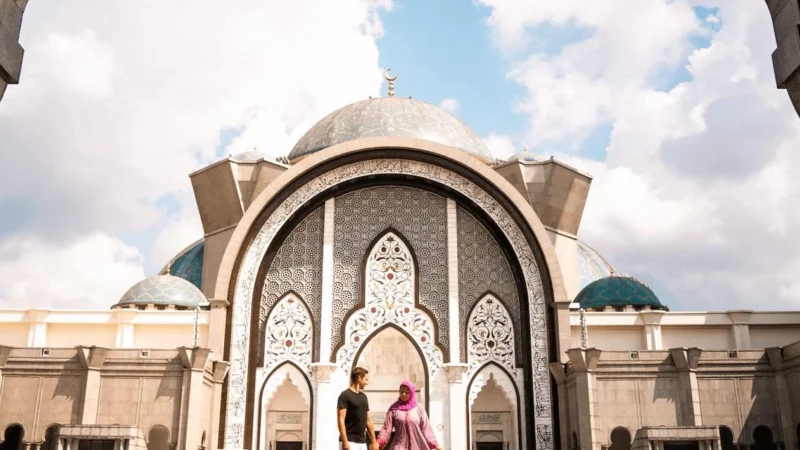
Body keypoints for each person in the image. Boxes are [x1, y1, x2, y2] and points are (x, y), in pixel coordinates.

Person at [376, 380, 442, 450]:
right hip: (399, 446)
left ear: (412, 393)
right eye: (402, 392)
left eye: (407, 392)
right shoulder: (394, 409)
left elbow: (426, 429)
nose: (404, 394)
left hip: (418, 446)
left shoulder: (419, 408)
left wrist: (435, 445)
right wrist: (378, 443)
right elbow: (386, 429)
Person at [337, 367, 379, 450]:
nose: (367, 383)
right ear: (359, 378)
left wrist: (374, 441)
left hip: (362, 442)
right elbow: (341, 419)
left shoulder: (364, 397)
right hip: (349, 441)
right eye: (366, 379)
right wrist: (345, 441)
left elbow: (368, 421)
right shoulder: (345, 395)